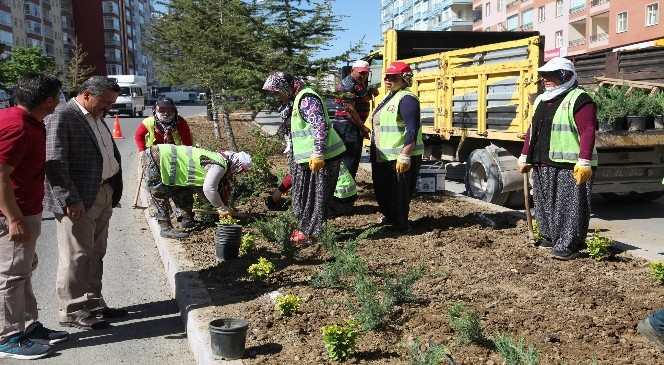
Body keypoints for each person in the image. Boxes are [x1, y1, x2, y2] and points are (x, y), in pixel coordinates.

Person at [44, 76, 124, 330]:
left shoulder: (96, 116)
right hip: (78, 200)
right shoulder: (63, 116)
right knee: (77, 255)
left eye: (112, 102)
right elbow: (54, 163)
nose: (109, 107)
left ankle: (93, 303)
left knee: (96, 252)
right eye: (106, 102)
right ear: (87, 94)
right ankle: (72, 310)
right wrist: (70, 199)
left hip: (102, 193)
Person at [0, 74, 69, 360]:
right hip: (14, 213)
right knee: (11, 275)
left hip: (26, 209)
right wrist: (13, 218)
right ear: (49, 100)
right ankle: (8, 336)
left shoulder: (29, 122)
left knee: (23, 271)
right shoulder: (16, 126)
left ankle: (28, 326)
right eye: (59, 97)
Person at [518, 57, 597, 261]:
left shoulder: (580, 99)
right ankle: (549, 236)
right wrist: (524, 155)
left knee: (568, 207)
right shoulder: (541, 100)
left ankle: (567, 245)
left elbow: (588, 131)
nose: (546, 79)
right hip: (542, 161)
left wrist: (585, 161)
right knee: (544, 203)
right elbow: (532, 129)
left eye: (552, 75)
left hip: (570, 166)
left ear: (566, 76)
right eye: (544, 75)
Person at [262, 72, 346, 241]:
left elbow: (319, 125)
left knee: (316, 198)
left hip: (322, 158)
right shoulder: (297, 98)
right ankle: (305, 230)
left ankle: (311, 234)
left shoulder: (307, 98)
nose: (277, 96)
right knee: (305, 196)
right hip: (308, 159)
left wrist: (318, 153)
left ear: (286, 86)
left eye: (277, 92)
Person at [142, 144, 252, 238]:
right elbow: (209, 189)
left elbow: (202, 190)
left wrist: (221, 206)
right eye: (240, 170)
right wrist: (221, 207)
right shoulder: (220, 165)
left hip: (166, 157)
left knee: (183, 190)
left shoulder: (218, 157)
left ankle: (187, 221)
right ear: (238, 165)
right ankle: (165, 229)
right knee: (158, 193)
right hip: (158, 157)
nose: (237, 173)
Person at [370, 61, 423, 232]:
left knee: (399, 194)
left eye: (392, 77)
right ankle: (390, 218)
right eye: (386, 76)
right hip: (384, 156)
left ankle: (401, 224)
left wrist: (405, 154)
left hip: (399, 157)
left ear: (404, 79)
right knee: (383, 191)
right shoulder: (390, 95)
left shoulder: (407, 99)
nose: (387, 80)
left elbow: (412, 129)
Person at [134, 97, 194, 232]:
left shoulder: (180, 122)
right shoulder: (149, 122)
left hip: (176, 158)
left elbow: (187, 141)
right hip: (154, 159)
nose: (166, 113)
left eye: (169, 110)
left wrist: (188, 157)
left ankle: (185, 217)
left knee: (182, 186)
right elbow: (138, 136)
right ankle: (164, 224)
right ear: (155, 110)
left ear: (174, 110)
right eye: (162, 110)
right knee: (158, 190)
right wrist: (142, 151)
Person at [266, 161, 358, 215]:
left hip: (337, 202)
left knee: (302, 206)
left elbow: (293, 176)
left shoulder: (310, 156)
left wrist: (276, 195)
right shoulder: (321, 148)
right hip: (348, 199)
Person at [333, 60, 375, 178]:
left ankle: (349, 187)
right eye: (361, 73)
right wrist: (362, 127)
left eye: (366, 73)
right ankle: (345, 192)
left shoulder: (358, 83)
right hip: (347, 127)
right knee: (349, 161)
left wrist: (370, 92)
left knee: (354, 159)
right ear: (352, 70)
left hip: (353, 126)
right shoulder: (347, 84)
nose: (363, 75)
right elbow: (350, 110)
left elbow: (363, 98)